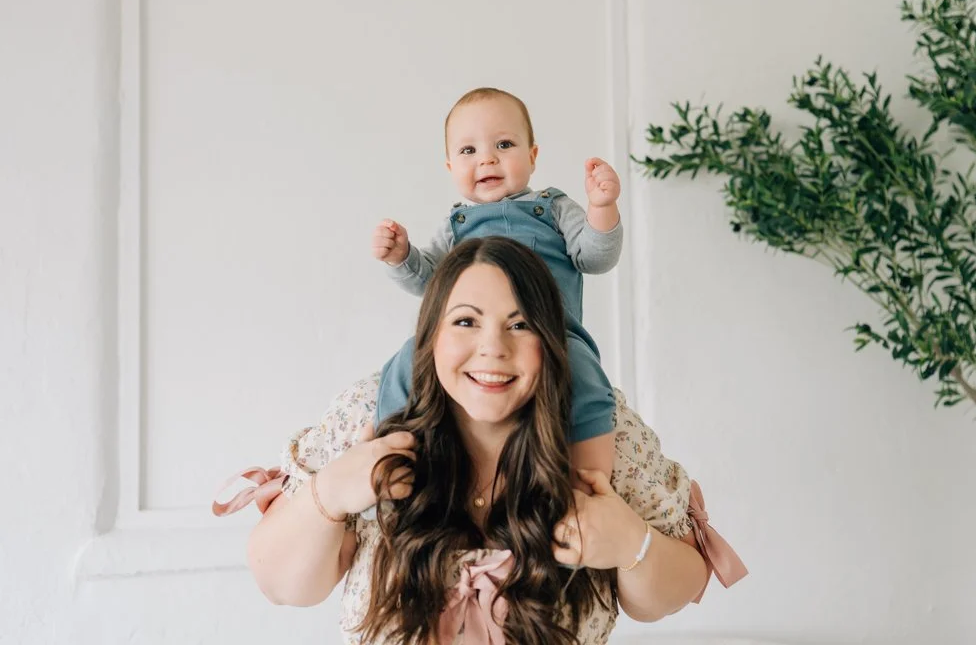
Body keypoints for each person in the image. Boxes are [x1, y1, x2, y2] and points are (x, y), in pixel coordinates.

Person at [223, 237, 747, 644]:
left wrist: (632, 542)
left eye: (520, 325)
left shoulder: (601, 431)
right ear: (431, 336)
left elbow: (669, 595)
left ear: (551, 341)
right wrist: (331, 492)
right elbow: (283, 586)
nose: (492, 348)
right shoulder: (371, 413)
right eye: (466, 321)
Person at [371, 87, 621, 487]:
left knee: (579, 368)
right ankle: (390, 448)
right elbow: (430, 282)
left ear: (533, 156)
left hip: (549, 332)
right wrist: (401, 257)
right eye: (469, 150)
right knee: (412, 352)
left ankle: (588, 474)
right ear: (450, 166)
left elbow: (594, 257)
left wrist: (601, 210)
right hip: (472, 339)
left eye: (504, 144)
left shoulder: (553, 209)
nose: (487, 158)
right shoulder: (455, 226)